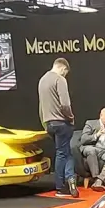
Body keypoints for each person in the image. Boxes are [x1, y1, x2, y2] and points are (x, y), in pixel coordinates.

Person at [37, 57, 77, 198]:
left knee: (65, 153)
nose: (65, 75)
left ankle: (70, 179)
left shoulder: (42, 80)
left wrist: (45, 124)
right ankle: (61, 187)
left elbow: (41, 107)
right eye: (65, 72)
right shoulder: (60, 80)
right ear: (62, 68)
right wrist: (71, 117)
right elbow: (65, 104)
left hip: (48, 123)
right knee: (63, 153)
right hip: (61, 122)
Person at [79, 107, 105, 188]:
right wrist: (97, 134)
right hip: (91, 147)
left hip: (104, 151)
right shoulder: (91, 123)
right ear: (101, 115)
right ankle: (95, 177)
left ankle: (99, 181)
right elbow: (83, 139)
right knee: (92, 151)